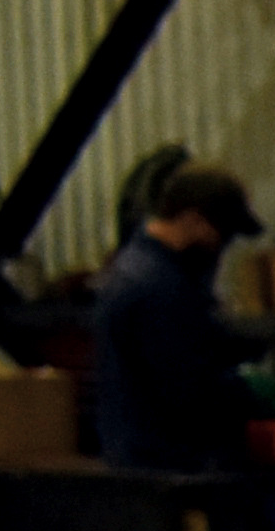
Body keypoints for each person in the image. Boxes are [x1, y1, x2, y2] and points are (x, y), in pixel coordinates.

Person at [90, 162, 264, 473]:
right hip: (169, 467)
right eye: (221, 234)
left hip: (137, 459)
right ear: (192, 219)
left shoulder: (133, 268)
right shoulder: (161, 288)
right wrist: (257, 400)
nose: (222, 248)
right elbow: (189, 389)